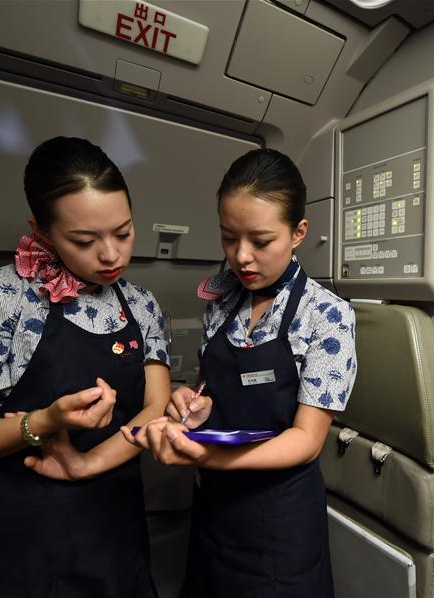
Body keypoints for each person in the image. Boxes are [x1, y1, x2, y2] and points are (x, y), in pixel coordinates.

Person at [0, 136, 170, 598]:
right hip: (23, 540)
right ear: (40, 231)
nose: (111, 255)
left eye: (123, 232)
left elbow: (155, 407)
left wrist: (88, 463)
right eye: (84, 240)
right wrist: (45, 421)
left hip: (115, 529)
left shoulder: (140, 304)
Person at [126, 148, 357, 597]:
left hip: (279, 520)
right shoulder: (224, 299)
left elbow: (306, 441)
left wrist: (205, 457)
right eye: (229, 238)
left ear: (298, 234)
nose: (242, 257)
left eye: (261, 240)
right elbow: (213, 389)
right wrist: (193, 404)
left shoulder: (327, 316)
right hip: (214, 508)